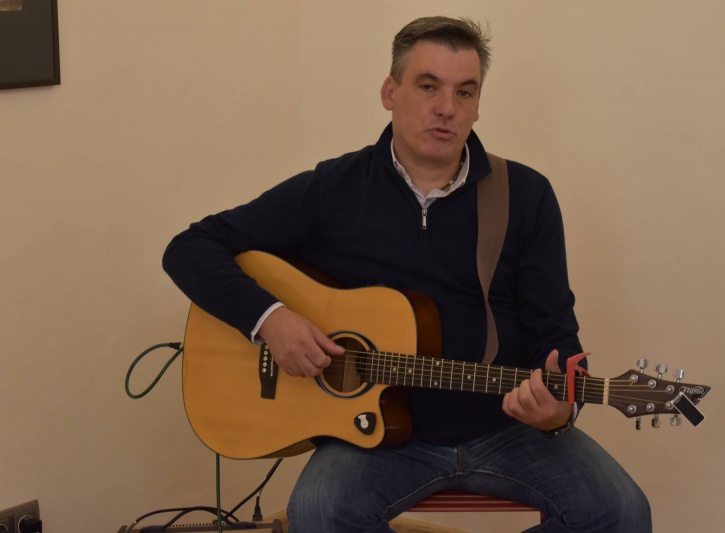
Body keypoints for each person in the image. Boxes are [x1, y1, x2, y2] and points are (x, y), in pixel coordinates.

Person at [163, 16, 651, 533]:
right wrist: (271, 321)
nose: (447, 108)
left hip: (506, 429)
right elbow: (189, 248)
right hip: (375, 438)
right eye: (428, 86)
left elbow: (556, 332)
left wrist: (559, 412)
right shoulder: (334, 188)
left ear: (478, 105)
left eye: (465, 92)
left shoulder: (524, 195)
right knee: (319, 511)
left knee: (620, 512)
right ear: (390, 92)